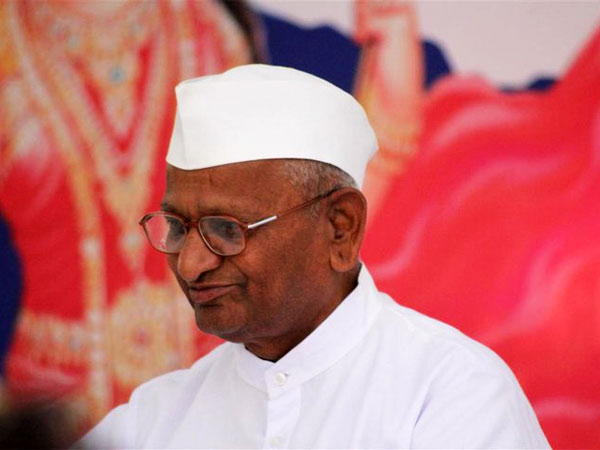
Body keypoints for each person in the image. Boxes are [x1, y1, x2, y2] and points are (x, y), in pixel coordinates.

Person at [81, 64, 549, 449]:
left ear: (340, 227)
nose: (191, 264)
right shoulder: (151, 422)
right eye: (179, 228)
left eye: (227, 230)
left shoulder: (452, 395)